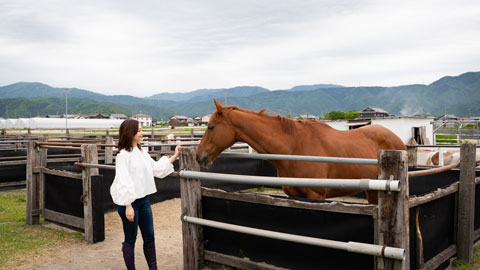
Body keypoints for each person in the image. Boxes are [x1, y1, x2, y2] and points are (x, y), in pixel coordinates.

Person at [110, 119, 181, 270]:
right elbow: (123, 180)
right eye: (139, 130)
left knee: (149, 236)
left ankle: (153, 268)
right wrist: (128, 205)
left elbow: (155, 168)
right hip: (129, 204)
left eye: (142, 130)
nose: (142, 133)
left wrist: (174, 156)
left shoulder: (142, 152)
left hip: (144, 201)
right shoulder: (123, 156)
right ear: (130, 133)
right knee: (131, 239)